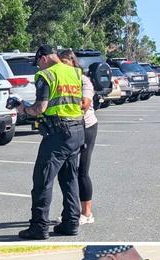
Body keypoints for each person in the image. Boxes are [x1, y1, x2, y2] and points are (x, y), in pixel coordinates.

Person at [17, 44, 85, 240]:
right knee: (69, 179)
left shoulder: (46, 76)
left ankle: (39, 227)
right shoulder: (75, 72)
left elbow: (40, 107)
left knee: (42, 181)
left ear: (43, 58)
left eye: (37, 63)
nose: (38, 68)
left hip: (58, 134)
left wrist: (24, 109)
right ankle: (71, 223)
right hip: (77, 130)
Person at [58, 49, 98, 225]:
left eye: (65, 63)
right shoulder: (59, 79)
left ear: (73, 63)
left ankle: (87, 213)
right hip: (69, 128)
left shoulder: (83, 80)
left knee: (82, 170)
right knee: (68, 171)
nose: (63, 67)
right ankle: (71, 210)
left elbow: (84, 104)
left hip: (86, 127)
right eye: (60, 63)